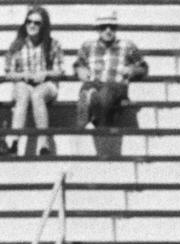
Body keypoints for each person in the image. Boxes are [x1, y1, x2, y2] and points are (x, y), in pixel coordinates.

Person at [3, 5, 63, 157]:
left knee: (37, 94)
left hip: (46, 85)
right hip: (24, 83)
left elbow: (59, 71)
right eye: (29, 21)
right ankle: (15, 140)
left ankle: (43, 142)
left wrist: (45, 73)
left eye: (37, 23)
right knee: (23, 92)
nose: (32, 25)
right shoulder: (17, 45)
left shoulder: (53, 44)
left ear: (44, 26)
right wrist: (24, 75)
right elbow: (8, 73)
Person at [73, 9, 147, 129]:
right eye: (103, 27)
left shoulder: (127, 46)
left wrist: (133, 70)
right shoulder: (88, 46)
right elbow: (77, 65)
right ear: (98, 29)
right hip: (94, 82)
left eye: (111, 27)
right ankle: (89, 116)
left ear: (116, 28)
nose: (108, 30)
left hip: (116, 85)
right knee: (87, 89)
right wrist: (79, 70)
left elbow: (143, 68)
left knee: (105, 93)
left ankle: (94, 117)